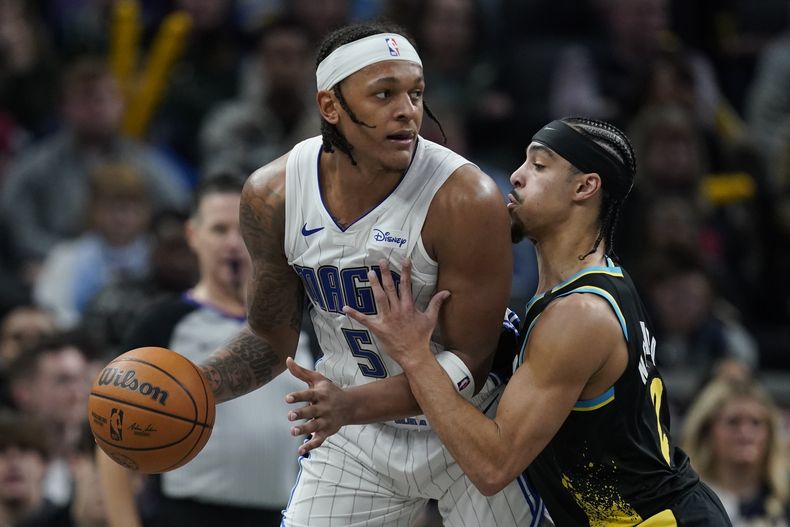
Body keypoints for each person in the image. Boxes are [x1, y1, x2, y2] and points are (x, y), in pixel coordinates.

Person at [194, 22, 546, 527]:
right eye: (384, 94)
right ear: (330, 106)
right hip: (356, 436)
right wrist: (194, 385)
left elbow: (471, 362)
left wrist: (350, 404)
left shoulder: (465, 198)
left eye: (416, 93)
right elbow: (272, 339)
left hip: (470, 428)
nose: (407, 110)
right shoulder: (273, 195)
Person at [336, 116, 732, 525]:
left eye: (539, 166)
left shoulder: (580, 315)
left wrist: (414, 354)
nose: (516, 176)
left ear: (584, 187)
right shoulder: (584, 290)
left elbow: (493, 465)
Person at [97, 174, 313, 527]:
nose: (232, 243)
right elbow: (112, 436)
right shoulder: (163, 323)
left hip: (284, 513)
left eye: (243, 231)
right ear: (192, 236)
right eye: (218, 229)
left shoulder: (302, 328)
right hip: (185, 512)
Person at [682, 377, 790, 526]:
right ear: (707, 432)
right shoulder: (686, 502)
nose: (746, 433)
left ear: (770, 433)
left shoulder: (785, 501)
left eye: (756, 422)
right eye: (733, 422)